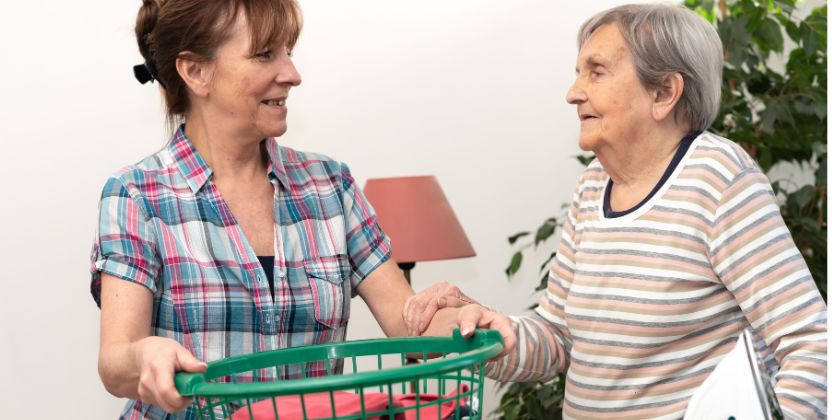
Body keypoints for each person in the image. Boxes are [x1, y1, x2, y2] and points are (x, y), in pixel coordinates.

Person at [404, 4, 827, 419]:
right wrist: (490, 331)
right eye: (577, 73)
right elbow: (559, 337)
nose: (573, 93)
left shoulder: (716, 178)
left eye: (597, 71)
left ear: (663, 93)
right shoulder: (594, 185)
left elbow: (811, 343)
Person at [90, 0, 416, 418]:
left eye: (289, 53)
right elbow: (115, 362)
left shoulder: (330, 184)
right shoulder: (138, 195)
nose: (292, 75)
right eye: (265, 55)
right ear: (196, 72)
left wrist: (463, 319)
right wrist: (146, 354)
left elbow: (408, 319)